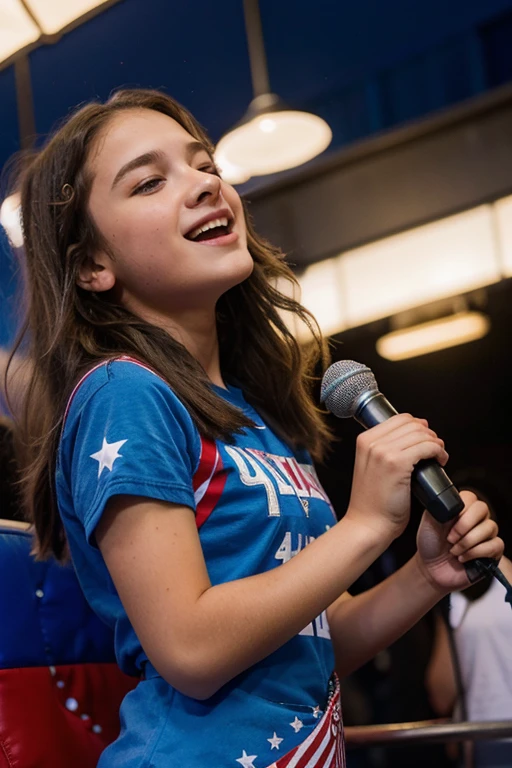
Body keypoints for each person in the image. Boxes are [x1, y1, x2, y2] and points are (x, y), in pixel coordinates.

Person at [5, 88, 504, 768]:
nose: (205, 184)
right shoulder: (125, 393)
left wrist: (426, 574)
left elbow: (314, 642)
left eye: (204, 164)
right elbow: (192, 648)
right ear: (93, 266)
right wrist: (364, 526)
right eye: (151, 181)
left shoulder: (248, 418)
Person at [426, 482, 512, 768]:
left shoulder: (453, 601)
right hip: (483, 737)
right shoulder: (452, 600)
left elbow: (441, 692)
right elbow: (442, 692)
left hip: (486, 734)